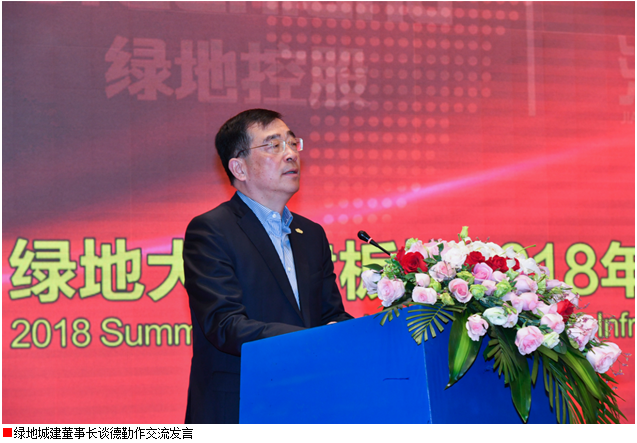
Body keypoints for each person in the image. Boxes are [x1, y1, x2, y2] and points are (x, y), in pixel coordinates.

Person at [183, 109, 353, 424]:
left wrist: (359, 333)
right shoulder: (212, 230)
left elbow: (331, 314)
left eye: (292, 143)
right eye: (274, 145)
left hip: (309, 402)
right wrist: (311, 340)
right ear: (239, 168)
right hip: (241, 405)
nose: (291, 154)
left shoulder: (310, 234)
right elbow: (225, 324)